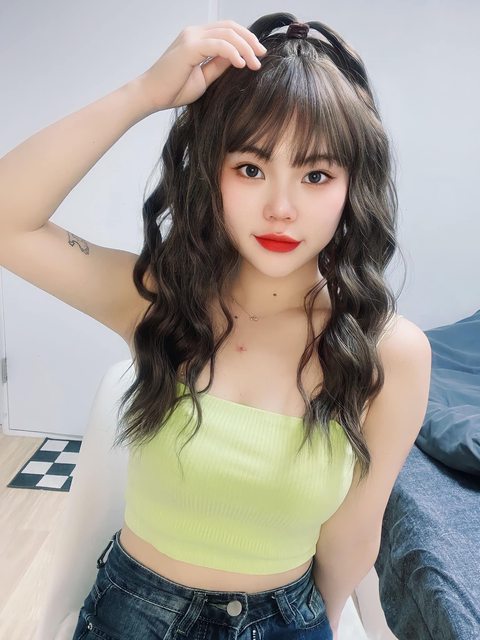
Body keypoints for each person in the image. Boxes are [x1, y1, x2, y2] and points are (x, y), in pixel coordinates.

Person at [0, 11, 432, 640]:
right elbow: (8, 220)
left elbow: (353, 535)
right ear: (211, 173)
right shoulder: (162, 300)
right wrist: (143, 94)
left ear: (351, 187)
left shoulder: (388, 351)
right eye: (251, 169)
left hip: (288, 622)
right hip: (135, 617)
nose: (280, 208)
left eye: (315, 175)